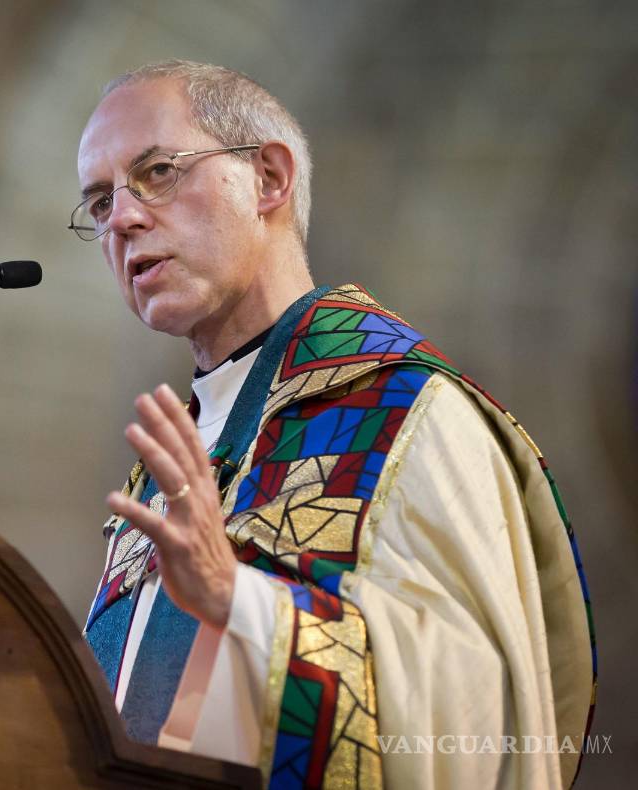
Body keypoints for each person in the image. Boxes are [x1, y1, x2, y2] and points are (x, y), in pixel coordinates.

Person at [73, 60, 595, 789]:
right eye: (99, 203)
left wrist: (241, 605)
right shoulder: (170, 467)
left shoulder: (408, 411)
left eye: (158, 171)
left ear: (270, 179)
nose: (123, 219)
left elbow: (482, 719)